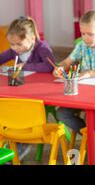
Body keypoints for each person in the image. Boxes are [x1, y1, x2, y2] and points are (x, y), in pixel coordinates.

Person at [0, 16, 56, 161]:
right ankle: (12, 144)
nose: (15, 48)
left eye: (18, 44)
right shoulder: (15, 50)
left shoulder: (42, 48)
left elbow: (49, 66)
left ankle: (20, 147)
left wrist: (25, 66)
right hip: (21, 93)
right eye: (12, 44)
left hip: (40, 96)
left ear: (32, 39)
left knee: (19, 115)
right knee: (9, 112)